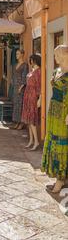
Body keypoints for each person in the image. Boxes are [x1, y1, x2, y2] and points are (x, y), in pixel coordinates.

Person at [42, 45, 68, 194]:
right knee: (53, 141)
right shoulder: (57, 71)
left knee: (61, 144)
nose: (55, 57)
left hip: (64, 112)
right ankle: (59, 178)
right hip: (54, 111)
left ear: (64, 55)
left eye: (57, 55)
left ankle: (60, 180)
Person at [21, 54, 42, 151]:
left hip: (33, 96)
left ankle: (36, 142)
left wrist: (40, 100)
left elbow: (40, 87)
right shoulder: (33, 71)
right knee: (29, 121)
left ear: (34, 60)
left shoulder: (38, 72)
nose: (30, 61)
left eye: (31, 60)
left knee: (32, 121)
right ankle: (31, 140)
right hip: (27, 96)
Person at [12, 50, 28, 130]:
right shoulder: (15, 65)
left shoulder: (25, 65)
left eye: (18, 54)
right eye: (16, 54)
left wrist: (21, 87)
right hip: (15, 87)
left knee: (20, 105)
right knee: (16, 105)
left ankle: (21, 123)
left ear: (22, 54)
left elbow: (24, 76)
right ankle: (17, 122)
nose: (16, 55)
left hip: (21, 88)